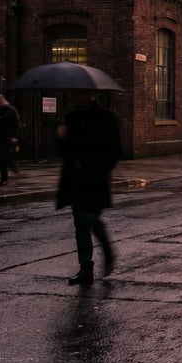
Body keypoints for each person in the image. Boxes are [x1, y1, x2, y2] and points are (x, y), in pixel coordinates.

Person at [56, 89, 121, 285]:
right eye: (74, 94)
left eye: (79, 94)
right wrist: (62, 137)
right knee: (80, 225)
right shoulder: (71, 118)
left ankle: (108, 252)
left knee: (91, 218)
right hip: (75, 180)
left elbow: (114, 150)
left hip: (95, 180)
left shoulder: (106, 118)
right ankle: (85, 269)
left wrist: (101, 170)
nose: (75, 97)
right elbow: (65, 152)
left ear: (91, 95)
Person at [0, 94, 21, 186]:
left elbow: (16, 124)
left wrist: (15, 137)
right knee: (2, 158)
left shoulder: (11, 110)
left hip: (8, 138)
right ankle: (8, 175)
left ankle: (4, 179)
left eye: (0, 103)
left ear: (3, 101)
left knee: (3, 158)